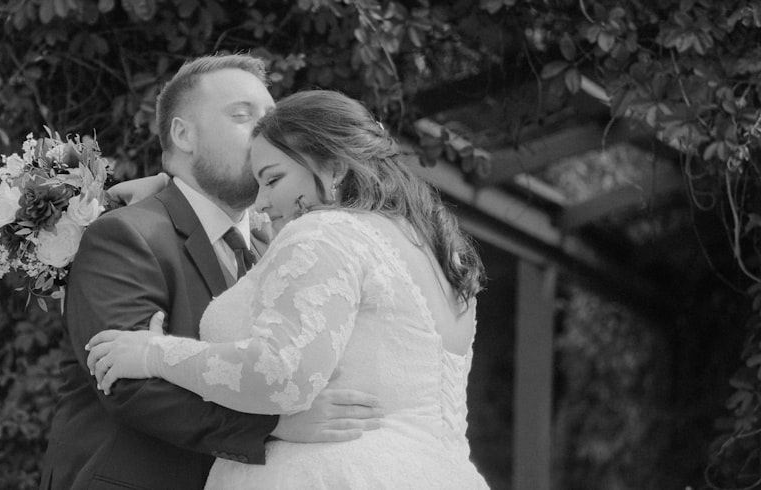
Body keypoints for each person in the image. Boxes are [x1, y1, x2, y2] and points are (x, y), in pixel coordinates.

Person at [86, 90, 491, 489]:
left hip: (330, 473)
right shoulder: (442, 255)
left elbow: (280, 373)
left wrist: (154, 353)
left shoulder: (324, 232)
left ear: (334, 167)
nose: (261, 202)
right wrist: (165, 196)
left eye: (273, 178)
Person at [40, 56, 384, 490]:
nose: (265, 133)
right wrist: (274, 424)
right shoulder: (126, 233)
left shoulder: (276, 248)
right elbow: (125, 383)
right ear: (183, 134)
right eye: (243, 116)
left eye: (271, 120)